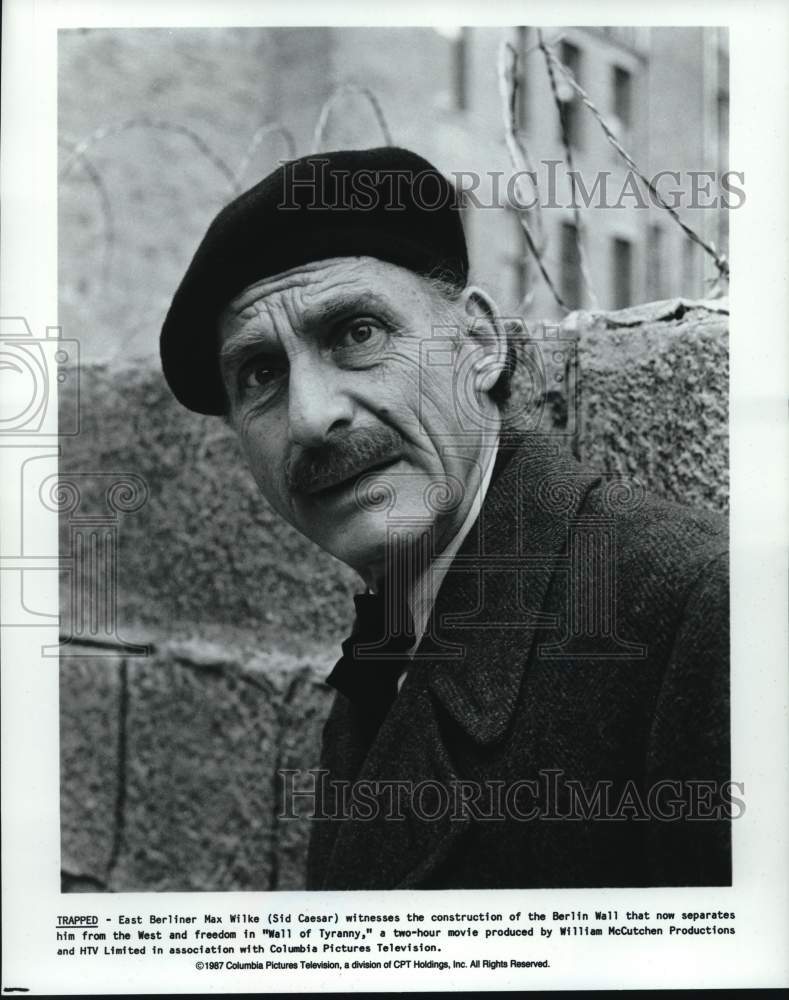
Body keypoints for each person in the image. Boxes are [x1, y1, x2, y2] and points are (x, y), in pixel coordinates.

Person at [160, 147, 731, 890]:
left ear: (479, 345)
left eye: (357, 334)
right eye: (261, 374)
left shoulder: (698, 615)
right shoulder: (397, 620)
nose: (310, 417)